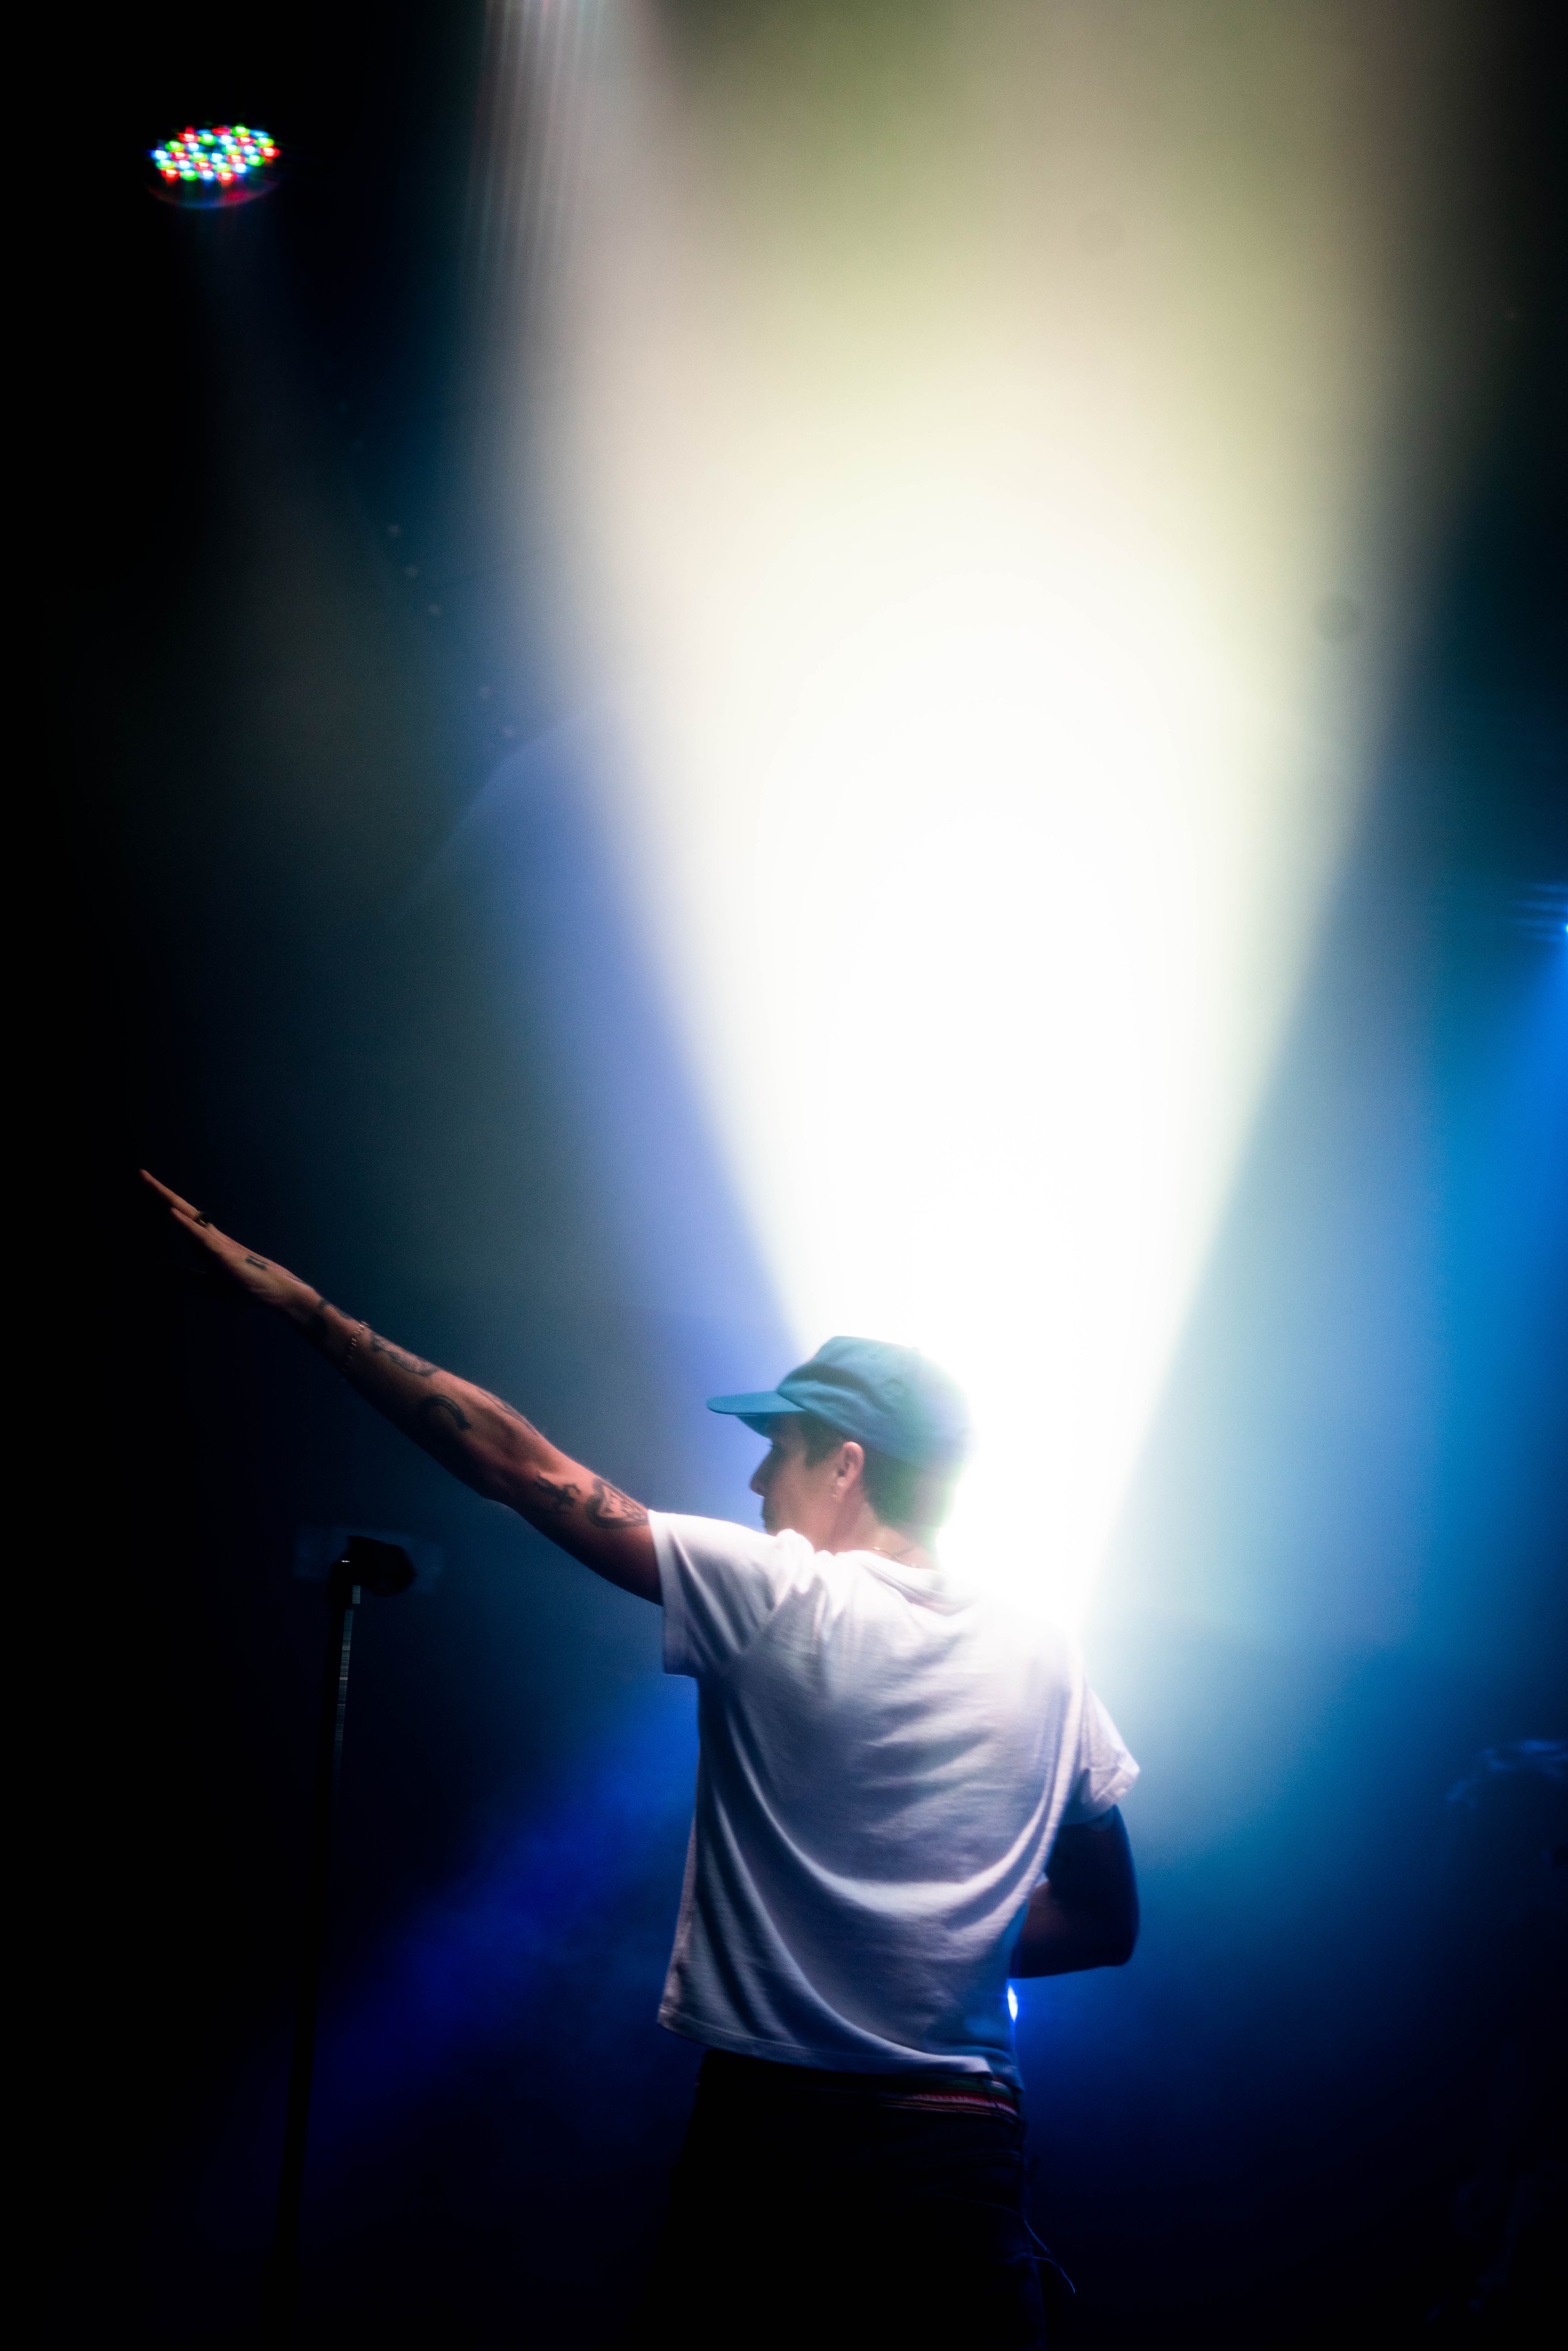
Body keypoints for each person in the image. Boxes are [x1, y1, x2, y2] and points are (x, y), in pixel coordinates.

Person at [142, 1170, 1140, 2347]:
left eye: (780, 1448)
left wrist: (307, 1311)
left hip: (780, 2139)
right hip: (964, 2150)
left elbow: (519, 1467)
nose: (757, 1480)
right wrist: (940, 1937)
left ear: (847, 1463)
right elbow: (1105, 1921)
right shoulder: (1049, 1654)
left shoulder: (779, 1594)